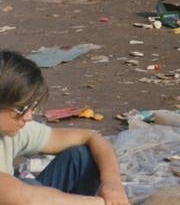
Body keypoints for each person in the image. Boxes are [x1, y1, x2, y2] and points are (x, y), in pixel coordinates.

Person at [0, 50, 129, 205]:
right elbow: (29, 200)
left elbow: (91, 137)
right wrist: (102, 202)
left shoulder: (13, 131)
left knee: (81, 156)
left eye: (31, 107)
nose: (28, 116)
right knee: (28, 187)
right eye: (21, 109)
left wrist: (112, 183)